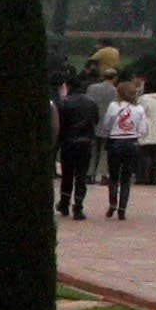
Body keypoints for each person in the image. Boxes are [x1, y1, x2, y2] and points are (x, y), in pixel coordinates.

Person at [98, 80, 149, 219]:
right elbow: (144, 129)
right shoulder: (139, 109)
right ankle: (122, 208)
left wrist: (110, 131)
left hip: (115, 142)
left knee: (114, 176)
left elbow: (107, 124)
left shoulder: (114, 106)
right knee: (126, 178)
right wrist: (135, 134)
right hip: (131, 143)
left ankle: (112, 203)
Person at [55, 80, 97, 219]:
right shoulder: (91, 103)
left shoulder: (65, 103)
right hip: (85, 142)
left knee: (67, 175)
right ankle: (78, 206)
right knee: (81, 176)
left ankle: (65, 203)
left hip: (69, 142)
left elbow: (60, 123)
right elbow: (95, 120)